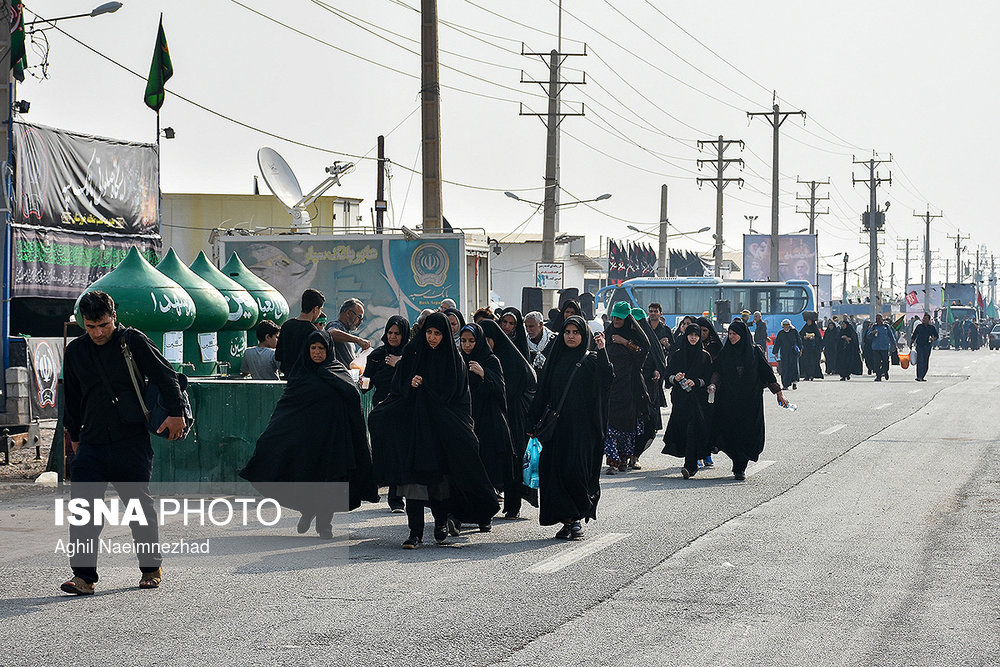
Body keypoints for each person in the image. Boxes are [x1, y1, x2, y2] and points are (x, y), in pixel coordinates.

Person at [59, 291, 186, 595]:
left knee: (138, 508)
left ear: (113, 316)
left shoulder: (133, 341)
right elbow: (72, 398)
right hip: (92, 440)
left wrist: (177, 414)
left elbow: (166, 376)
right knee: (84, 509)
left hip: (130, 439)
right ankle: (84, 577)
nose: (98, 333)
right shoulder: (75, 351)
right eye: (90, 327)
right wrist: (74, 437)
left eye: (103, 324)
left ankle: (150, 568)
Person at [368, 312, 499, 548]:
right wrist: (411, 384)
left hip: (441, 432)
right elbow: (397, 386)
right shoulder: (413, 353)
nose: (432, 338)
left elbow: (457, 399)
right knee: (414, 483)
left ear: (445, 335)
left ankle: (440, 523)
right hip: (416, 431)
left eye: (437, 333)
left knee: (439, 484)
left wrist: (427, 388)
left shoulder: (453, 360)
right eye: (429, 332)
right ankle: (415, 533)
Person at [240, 330, 379, 538]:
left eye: (321, 348)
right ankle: (308, 510)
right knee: (306, 477)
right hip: (306, 440)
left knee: (331, 482)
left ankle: (324, 524)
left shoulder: (336, 370)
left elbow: (353, 397)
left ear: (328, 350)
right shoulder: (300, 372)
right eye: (313, 348)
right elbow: (288, 406)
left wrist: (329, 380)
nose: (316, 352)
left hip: (333, 439)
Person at [526, 316, 612, 539]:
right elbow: (543, 392)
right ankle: (568, 520)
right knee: (555, 474)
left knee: (574, 471)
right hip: (556, 429)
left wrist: (602, 351)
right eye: (567, 332)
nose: (571, 336)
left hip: (583, 429)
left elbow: (607, 380)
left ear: (584, 336)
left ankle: (577, 514)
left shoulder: (590, 359)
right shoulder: (555, 358)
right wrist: (531, 422)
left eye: (576, 332)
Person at [709, 319, 787, 481]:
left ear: (742, 335)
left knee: (747, 433)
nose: (731, 337)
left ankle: (740, 467)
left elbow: (767, 374)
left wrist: (779, 393)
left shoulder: (754, 352)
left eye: (735, 334)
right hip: (729, 400)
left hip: (750, 402)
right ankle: (737, 461)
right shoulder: (726, 352)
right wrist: (713, 385)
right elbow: (718, 371)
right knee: (730, 432)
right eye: (730, 334)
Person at [480, 318, 538, 518]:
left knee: (513, 461)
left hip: (513, 418)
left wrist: (487, 378)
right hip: (491, 417)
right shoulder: (482, 358)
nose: (485, 344)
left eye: (488, 339)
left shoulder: (512, 360)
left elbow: (511, 390)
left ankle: (513, 505)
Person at [459, 323, 514, 528]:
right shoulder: (457, 360)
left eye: (471, 341)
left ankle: (485, 515)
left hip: (488, 422)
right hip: (466, 420)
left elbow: (501, 390)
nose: (467, 345)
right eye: (463, 341)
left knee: (486, 471)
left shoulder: (491, 360)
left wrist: (483, 374)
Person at [363, 315, 411, 512]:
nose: (392, 337)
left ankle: (396, 497)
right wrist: (363, 383)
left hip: (403, 411)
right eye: (390, 333)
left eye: (397, 334)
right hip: (381, 411)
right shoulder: (377, 355)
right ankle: (375, 488)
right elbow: (368, 380)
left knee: (399, 453)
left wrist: (399, 364)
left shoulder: (410, 354)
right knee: (382, 452)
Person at [662, 323, 713, 479]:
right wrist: (675, 378)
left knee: (693, 430)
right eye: (691, 335)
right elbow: (667, 376)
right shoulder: (677, 355)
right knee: (684, 430)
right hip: (680, 400)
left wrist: (696, 382)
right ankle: (690, 461)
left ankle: (689, 467)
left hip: (698, 401)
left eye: (696, 335)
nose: (693, 338)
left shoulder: (705, 356)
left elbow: (708, 378)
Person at [603, 302, 649, 474]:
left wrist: (625, 342)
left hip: (629, 387)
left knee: (625, 426)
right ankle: (612, 461)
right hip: (610, 386)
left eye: (619, 317)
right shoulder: (608, 334)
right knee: (609, 425)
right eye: (614, 316)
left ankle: (624, 458)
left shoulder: (633, 336)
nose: (615, 320)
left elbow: (644, 351)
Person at [632, 307, 666, 469]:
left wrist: (657, 370)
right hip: (627, 388)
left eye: (638, 323)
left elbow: (659, 359)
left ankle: (635, 455)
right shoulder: (623, 338)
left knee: (648, 423)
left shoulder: (650, 339)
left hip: (648, 387)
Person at [275, 288, 325, 372]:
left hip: (289, 379)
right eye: (321, 309)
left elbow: (278, 356)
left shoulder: (286, 325)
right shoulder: (312, 331)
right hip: (305, 379)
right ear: (316, 309)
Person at [326, 298, 371, 366]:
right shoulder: (336, 325)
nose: (361, 322)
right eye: (359, 317)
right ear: (348, 313)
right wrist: (358, 340)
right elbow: (331, 333)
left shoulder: (347, 334)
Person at [773, 319, 802, 390]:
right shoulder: (781, 333)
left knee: (794, 368)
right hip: (784, 354)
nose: (786, 327)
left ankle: (794, 383)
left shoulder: (794, 332)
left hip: (793, 353)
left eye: (787, 326)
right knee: (785, 369)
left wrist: (801, 349)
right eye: (784, 326)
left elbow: (799, 341)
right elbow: (777, 343)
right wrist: (775, 352)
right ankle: (785, 385)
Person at [865, 313, 895, 381]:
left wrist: (894, 344)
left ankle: (884, 371)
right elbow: (868, 335)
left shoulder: (886, 326)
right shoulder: (874, 327)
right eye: (876, 319)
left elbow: (891, 336)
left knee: (885, 362)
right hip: (876, 347)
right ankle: (878, 376)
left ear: (882, 319)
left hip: (885, 347)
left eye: (879, 318)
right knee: (877, 362)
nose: (877, 320)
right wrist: (872, 333)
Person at [799, 314, 824, 380]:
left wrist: (814, 338)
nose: (808, 323)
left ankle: (812, 375)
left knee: (812, 362)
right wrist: (804, 337)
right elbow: (800, 335)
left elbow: (819, 338)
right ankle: (806, 375)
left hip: (813, 350)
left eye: (809, 321)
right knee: (806, 362)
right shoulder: (805, 328)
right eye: (807, 321)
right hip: (806, 349)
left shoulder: (815, 328)